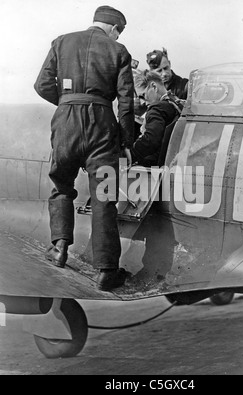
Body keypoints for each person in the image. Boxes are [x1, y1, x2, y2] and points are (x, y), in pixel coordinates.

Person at [34, 6, 135, 292]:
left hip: (65, 123)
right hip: (102, 126)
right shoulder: (119, 50)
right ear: (114, 29)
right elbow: (126, 103)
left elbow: (42, 85)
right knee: (104, 195)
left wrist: (69, 102)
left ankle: (59, 247)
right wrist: (127, 142)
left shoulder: (61, 41)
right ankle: (106, 270)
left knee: (61, 184)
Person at [131, 71, 183, 167]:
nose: (142, 102)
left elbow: (150, 141)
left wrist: (129, 156)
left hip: (155, 167)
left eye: (143, 95)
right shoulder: (176, 102)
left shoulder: (156, 109)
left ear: (154, 86)